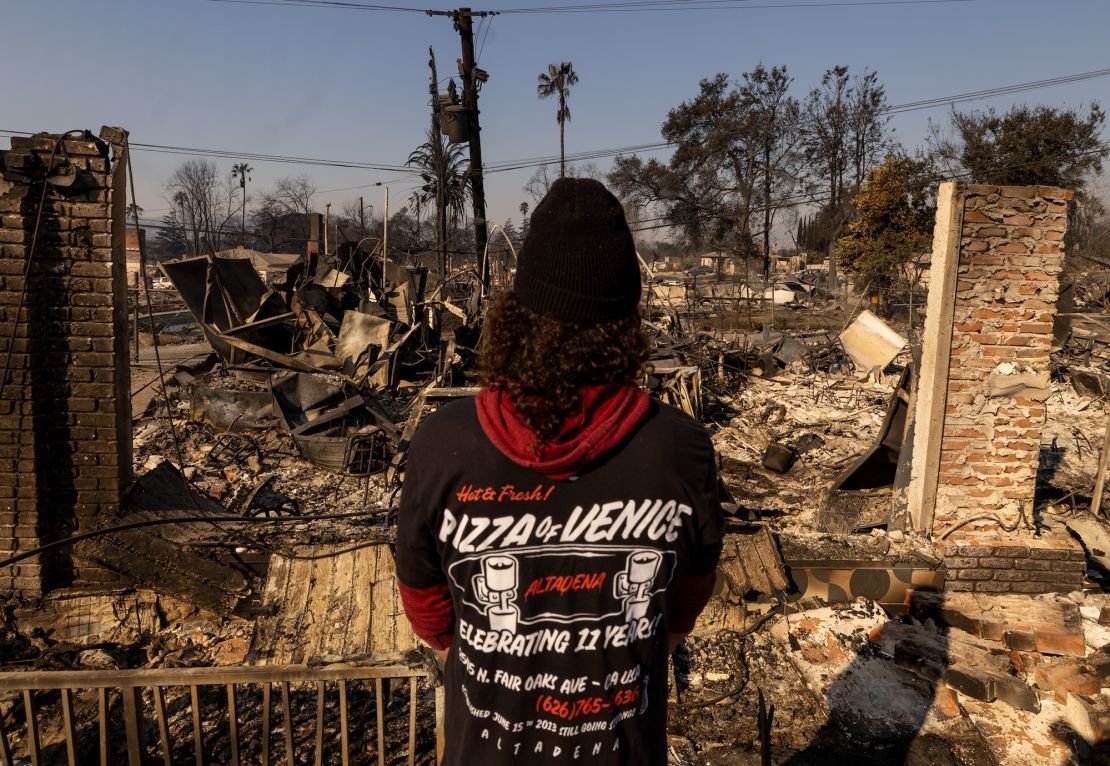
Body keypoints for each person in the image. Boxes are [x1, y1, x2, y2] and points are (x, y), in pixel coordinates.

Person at [396, 178, 723, 765]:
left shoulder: (443, 443)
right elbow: (685, 604)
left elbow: (428, 611)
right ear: (627, 320)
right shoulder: (682, 450)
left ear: (516, 313)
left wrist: (504, 660)